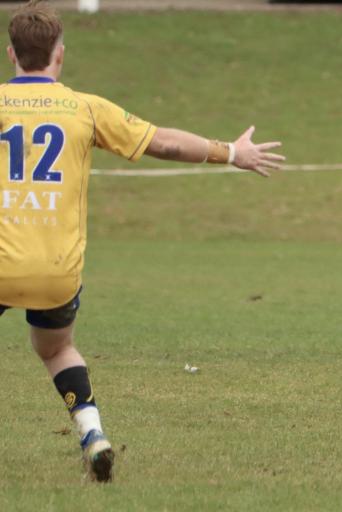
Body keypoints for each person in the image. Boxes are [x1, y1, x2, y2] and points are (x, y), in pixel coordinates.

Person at [0, 0, 284, 482]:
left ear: (12, 55)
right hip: (55, 270)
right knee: (55, 349)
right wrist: (231, 151)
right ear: (59, 54)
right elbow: (164, 142)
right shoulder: (85, 108)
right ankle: (93, 434)